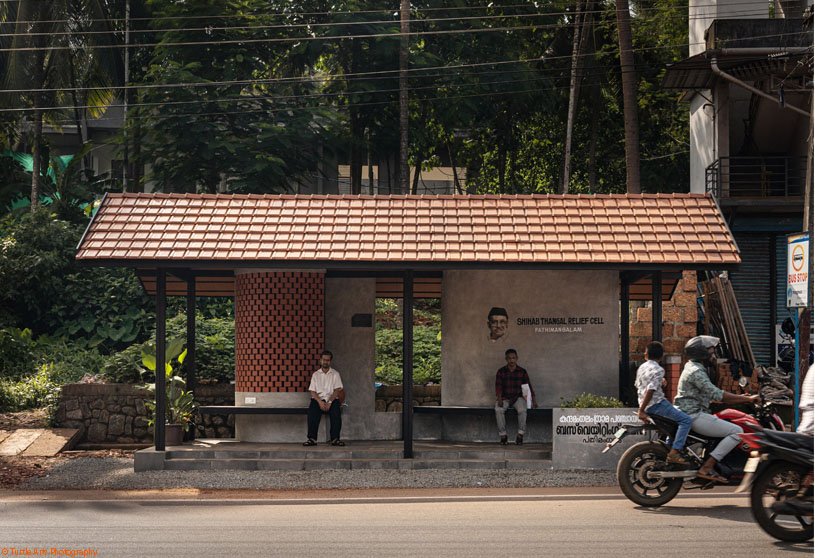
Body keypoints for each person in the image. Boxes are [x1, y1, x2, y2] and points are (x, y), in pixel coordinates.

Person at [674, 335, 759, 483]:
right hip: (694, 415)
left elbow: (706, 394)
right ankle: (707, 467)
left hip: (692, 411)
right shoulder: (697, 372)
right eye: (710, 351)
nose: (713, 354)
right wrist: (747, 399)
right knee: (737, 431)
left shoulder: (692, 367)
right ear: (702, 353)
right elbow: (717, 394)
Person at [634, 341, 693, 465]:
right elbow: (650, 389)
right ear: (661, 356)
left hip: (647, 404)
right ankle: (675, 452)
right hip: (657, 405)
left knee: (673, 425)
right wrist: (641, 411)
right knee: (686, 420)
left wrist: (661, 381)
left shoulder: (642, 367)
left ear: (646, 355)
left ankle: (666, 450)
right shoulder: (659, 369)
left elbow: (640, 386)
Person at [494, 348, 537, 445]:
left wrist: (533, 400)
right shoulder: (501, 371)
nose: (511, 360)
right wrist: (499, 399)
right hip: (504, 398)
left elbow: (527, 386)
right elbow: (498, 386)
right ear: (506, 359)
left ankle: (520, 435)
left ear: (517, 358)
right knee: (498, 409)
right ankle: (503, 436)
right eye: (509, 358)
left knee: (522, 410)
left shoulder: (522, 371)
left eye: (513, 358)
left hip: (518, 397)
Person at [303, 350, 345, 447]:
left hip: (332, 399)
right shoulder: (315, 375)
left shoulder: (335, 374)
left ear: (330, 361)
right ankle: (312, 439)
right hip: (318, 399)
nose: (325, 362)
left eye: (328, 360)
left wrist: (330, 401)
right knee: (312, 413)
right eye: (324, 359)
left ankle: (335, 439)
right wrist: (319, 402)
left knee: (336, 414)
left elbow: (337, 390)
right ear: (320, 360)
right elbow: (312, 391)